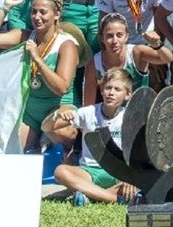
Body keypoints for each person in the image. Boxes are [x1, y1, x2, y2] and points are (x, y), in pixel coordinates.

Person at [0, 0, 79, 153]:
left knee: (56, 130)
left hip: (58, 106)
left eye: (43, 12)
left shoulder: (66, 44)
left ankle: (68, 152)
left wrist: (37, 59)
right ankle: (38, 140)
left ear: (56, 15)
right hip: (31, 110)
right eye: (34, 11)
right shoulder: (26, 37)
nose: (37, 16)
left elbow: (62, 87)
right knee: (12, 150)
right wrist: (6, 7)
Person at [46, 67, 138, 206]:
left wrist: (131, 177)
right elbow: (46, 128)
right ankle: (114, 198)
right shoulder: (88, 113)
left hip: (119, 172)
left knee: (146, 179)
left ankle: (90, 194)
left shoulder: (130, 117)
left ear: (128, 95)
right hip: (90, 171)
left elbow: (138, 153)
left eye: (117, 89)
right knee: (60, 171)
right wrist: (57, 115)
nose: (111, 93)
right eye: (108, 88)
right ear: (101, 90)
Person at [85, 12, 172, 104]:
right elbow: (88, 103)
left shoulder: (137, 52)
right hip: (110, 115)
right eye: (110, 36)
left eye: (119, 35)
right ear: (102, 38)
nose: (115, 41)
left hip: (139, 113)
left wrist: (157, 45)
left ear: (126, 36)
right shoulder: (94, 63)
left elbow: (167, 58)